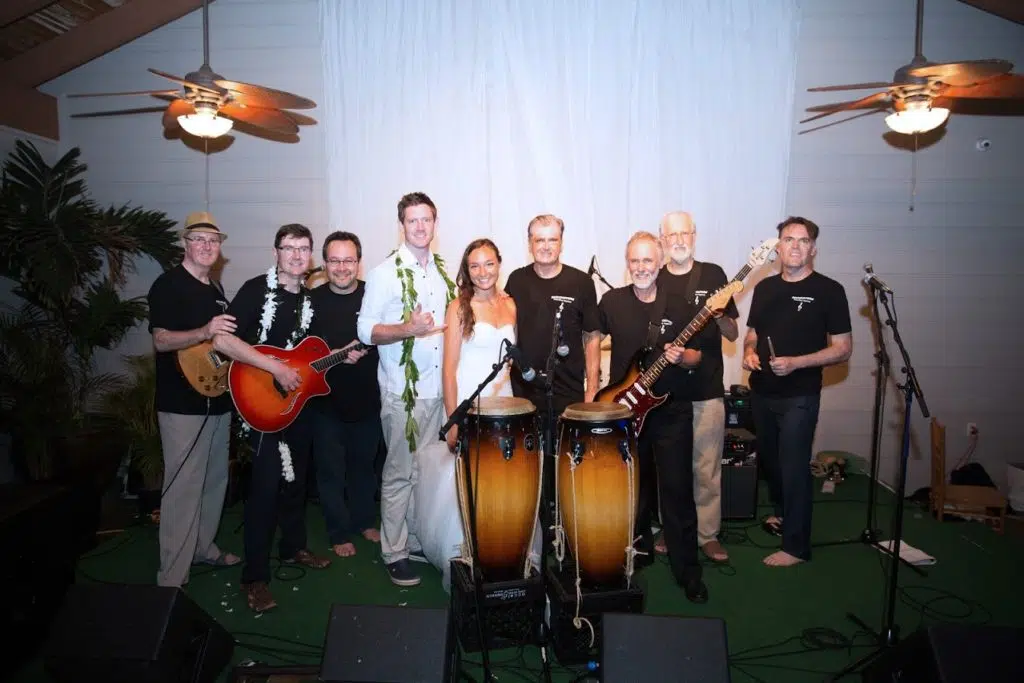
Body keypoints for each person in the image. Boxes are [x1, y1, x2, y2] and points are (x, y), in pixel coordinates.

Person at [212, 223, 332, 612]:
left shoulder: (310, 300)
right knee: (264, 489)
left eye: (303, 248)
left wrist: (340, 358)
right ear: (276, 252)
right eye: (289, 248)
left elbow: (307, 358)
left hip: (296, 406)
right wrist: (275, 369)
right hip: (259, 405)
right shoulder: (255, 290)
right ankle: (255, 578)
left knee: (295, 482)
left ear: (310, 255)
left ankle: (293, 547)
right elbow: (222, 340)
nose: (296, 255)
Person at [598, 231, 709, 603]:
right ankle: (637, 552)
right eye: (635, 260)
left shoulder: (679, 304)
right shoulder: (612, 301)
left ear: (660, 263)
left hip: (670, 412)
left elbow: (697, 356)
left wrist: (682, 356)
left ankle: (688, 570)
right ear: (626, 264)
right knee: (633, 491)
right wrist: (592, 389)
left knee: (677, 492)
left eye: (648, 260)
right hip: (626, 411)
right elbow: (590, 338)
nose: (641, 267)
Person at [357, 192, 456, 587]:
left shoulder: (442, 273)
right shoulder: (384, 273)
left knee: (425, 472)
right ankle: (394, 551)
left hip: (437, 390)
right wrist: (407, 329)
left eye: (426, 219)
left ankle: (414, 539)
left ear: (435, 223)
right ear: (402, 225)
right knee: (399, 474)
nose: (420, 227)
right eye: (412, 220)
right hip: (404, 393)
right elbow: (365, 330)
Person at [741, 216, 852, 567]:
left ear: (813, 249)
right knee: (772, 465)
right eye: (788, 239)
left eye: (803, 241)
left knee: (793, 468)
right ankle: (782, 515)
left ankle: (796, 547)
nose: (795, 246)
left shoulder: (830, 290)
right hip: (761, 392)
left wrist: (797, 363)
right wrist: (748, 352)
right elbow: (753, 334)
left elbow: (843, 349)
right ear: (778, 247)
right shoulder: (765, 288)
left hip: (800, 396)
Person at [416, 238, 518, 590]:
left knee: (500, 483)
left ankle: (497, 552)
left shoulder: (510, 304)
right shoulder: (458, 307)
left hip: (504, 405)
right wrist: (453, 420)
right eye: (474, 265)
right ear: (467, 270)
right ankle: (466, 558)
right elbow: (449, 370)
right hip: (469, 406)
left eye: (488, 264)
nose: (482, 272)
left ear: (499, 264)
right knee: (469, 485)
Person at [147, 211, 240, 587]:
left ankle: (203, 548)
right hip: (181, 405)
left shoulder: (215, 289)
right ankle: (172, 575)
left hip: (217, 400)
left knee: (214, 480)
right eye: (199, 239)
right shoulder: (168, 285)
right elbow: (161, 340)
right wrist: (203, 331)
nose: (207, 246)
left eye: (213, 241)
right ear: (185, 243)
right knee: (183, 486)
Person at [505, 214, 600, 535]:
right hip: (524, 393)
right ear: (529, 243)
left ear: (561, 242)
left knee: (566, 467)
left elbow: (592, 338)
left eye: (552, 239)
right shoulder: (516, 280)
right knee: (529, 467)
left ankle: (565, 534)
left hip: (568, 394)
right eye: (539, 240)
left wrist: (591, 391)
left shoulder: (581, 283)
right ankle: (534, 535)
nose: (546, 246)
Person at [656, 211, 739, 563]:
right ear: (662, 240)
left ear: (694, 235)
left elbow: (733, 333)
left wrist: (719, 315)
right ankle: (670, 528)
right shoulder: (655, 277)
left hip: (707, 390)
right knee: (669, 470)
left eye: (684, 233)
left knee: (706, 468)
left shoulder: (714, 275)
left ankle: (707, 534)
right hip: (665, 394)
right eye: (671, 235)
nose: (678, 240)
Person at [307, 231, 381, 558]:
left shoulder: (373, 296)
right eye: (335, 261)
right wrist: (336, 355)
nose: (341, 268)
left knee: (364, 467)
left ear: (358, 263)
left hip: (368, 401)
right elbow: (300, 356)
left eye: (348, 260)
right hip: (325, 405)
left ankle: (364, 521)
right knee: (331, 472)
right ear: (324, 264)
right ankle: (338, 533)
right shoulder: (310, 302)